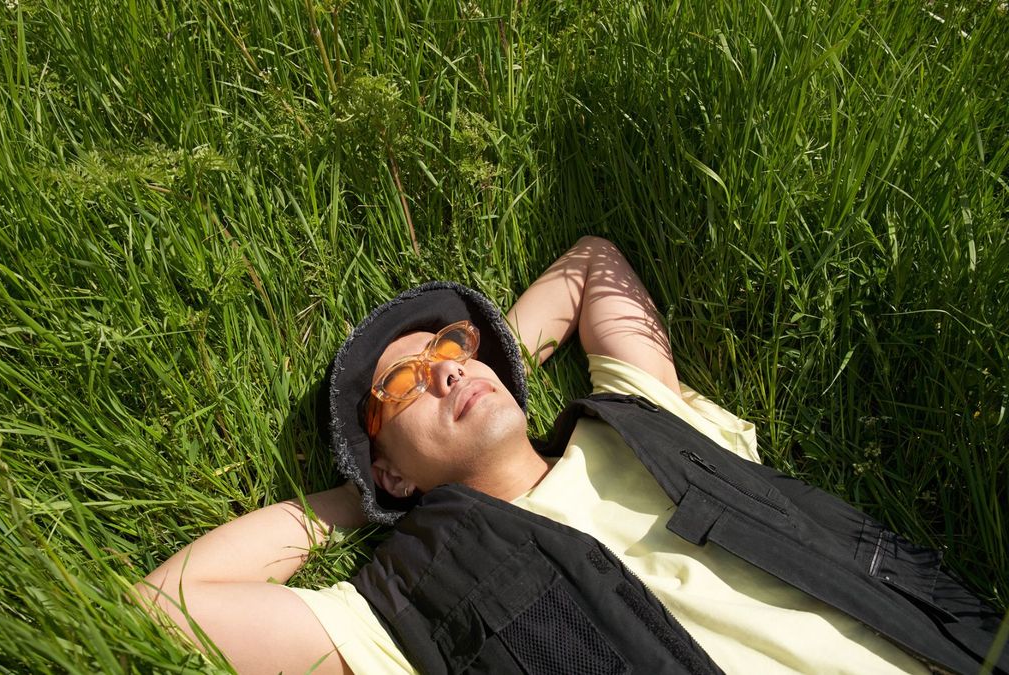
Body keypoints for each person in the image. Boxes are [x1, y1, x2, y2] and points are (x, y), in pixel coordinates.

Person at [135, 236, 1007, 674]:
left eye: (450, 349)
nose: (442, 374)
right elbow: (167, 606)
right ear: (387, 466)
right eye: (403, 386)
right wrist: (366, 498)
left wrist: (490, 362)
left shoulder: (637, 419)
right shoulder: (411, 602)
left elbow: (593, 264)